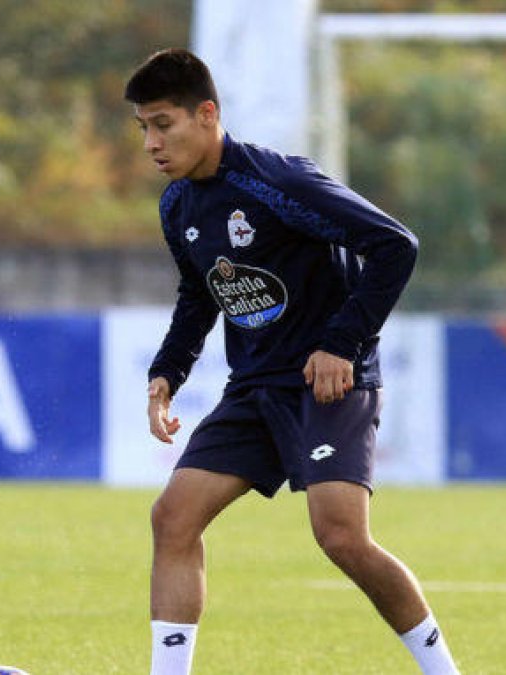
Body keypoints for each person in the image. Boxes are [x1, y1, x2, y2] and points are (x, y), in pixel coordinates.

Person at [124, 48, 459, 675]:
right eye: (142, 127)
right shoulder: (178, 206)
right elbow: (199, 295)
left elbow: (394, 246)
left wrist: (343, 343)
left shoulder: (279, 182)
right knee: (173, 518)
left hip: (326, 384)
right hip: (254, 389)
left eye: (163, 124)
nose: (151, 143)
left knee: (340, 537)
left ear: (206, 114)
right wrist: (167, 372)